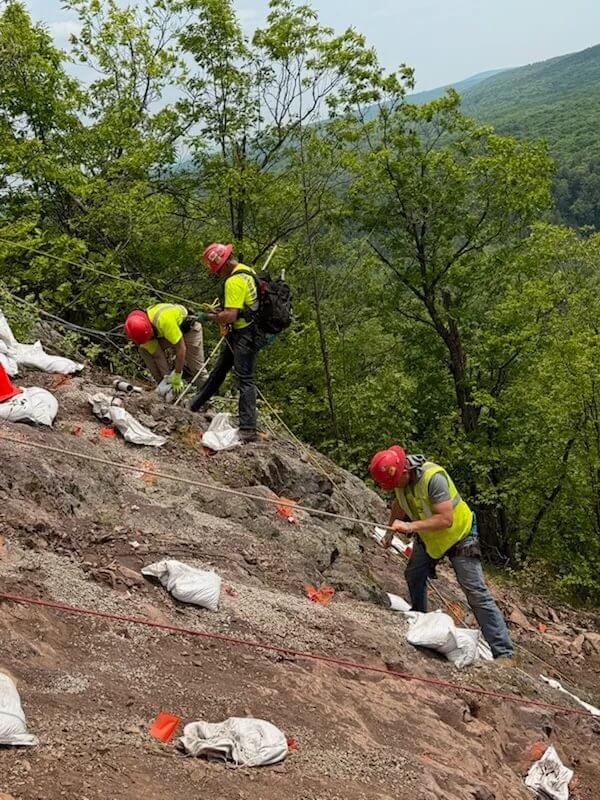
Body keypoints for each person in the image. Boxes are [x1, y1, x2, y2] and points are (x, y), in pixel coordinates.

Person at [370, 445, 514, 662]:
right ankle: (420, 619)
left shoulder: (433, 478)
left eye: (393, 483)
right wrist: (390, 532)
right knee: (414, 575)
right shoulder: (401, 482)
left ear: (404, 471)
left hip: (460, 536)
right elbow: (399, 505)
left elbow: (446, 519)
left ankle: (504, 652)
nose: (393, 487)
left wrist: (410, 526)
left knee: (475, 591)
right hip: (431, 538)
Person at [190, 242, 264, 443]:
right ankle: (195, 405)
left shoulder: (233, 281)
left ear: (223, 265)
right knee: (220, 369)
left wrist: (207, 317)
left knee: (245, 379)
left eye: (218, 270)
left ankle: (248, 428)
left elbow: (230, 315)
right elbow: (242, 307)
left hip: (244, 335)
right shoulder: (247, 271)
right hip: (246, 330)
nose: (219, 274)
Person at [124, 303, 207, 396]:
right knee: (144, 350)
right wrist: (166, 380)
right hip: (165, 333)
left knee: (197, 368)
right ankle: (164, 388)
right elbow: (158, 356)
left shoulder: (164, 320)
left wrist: (177, 375)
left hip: (189, 330)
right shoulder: (139, 330)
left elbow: (181, 348)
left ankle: (207, 395)